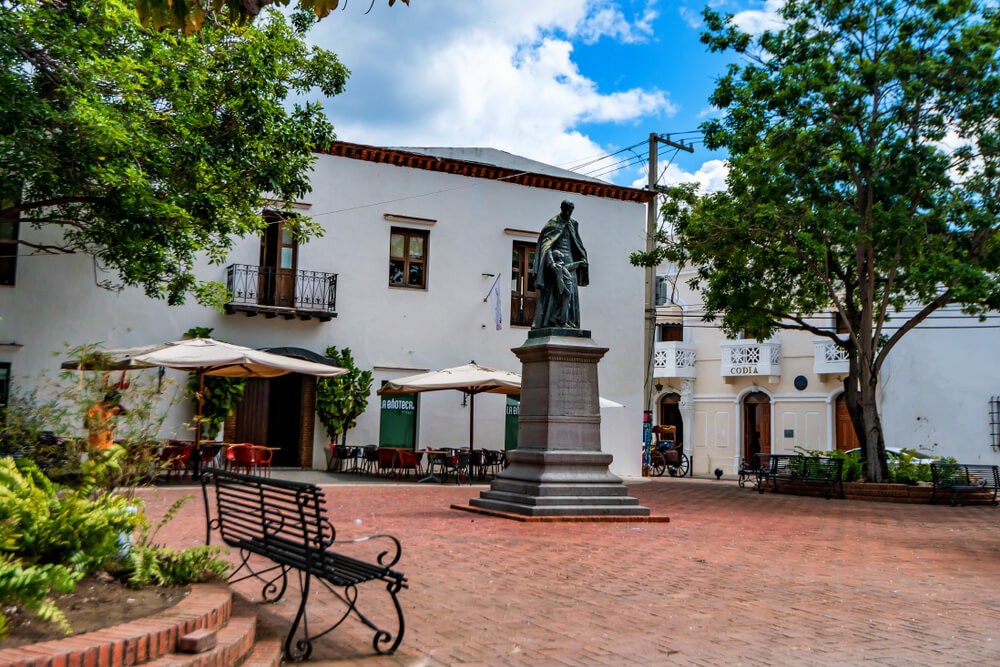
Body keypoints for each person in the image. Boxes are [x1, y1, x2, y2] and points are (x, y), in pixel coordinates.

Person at [532, 200, 589, 329]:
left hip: (570, 261)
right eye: (566, 210)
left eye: (571, 210)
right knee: (558, 293)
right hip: (556, 263)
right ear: (561, 208)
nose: (568, 213)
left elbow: (576, 243)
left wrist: (582, 259)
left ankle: (569, 320)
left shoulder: (573, 223)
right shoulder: (553, 223)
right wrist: (551, 263)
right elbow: (546, 247)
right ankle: (554, 320)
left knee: (570, 293)